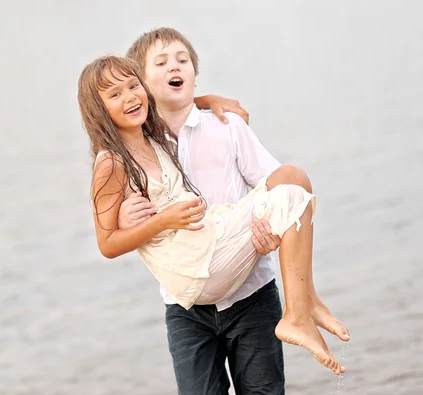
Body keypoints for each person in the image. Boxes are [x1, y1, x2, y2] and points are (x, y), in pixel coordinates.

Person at [77, 51, 348, 378]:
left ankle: (303, 302)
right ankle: (300, 311)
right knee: (292, 183)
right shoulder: (111, 162)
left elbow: (174, 103)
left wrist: (209, 99)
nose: (130, 97)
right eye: (114, 94)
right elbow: (106, 244)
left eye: (133, 86)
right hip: (195, 269)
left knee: (293, 181)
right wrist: (163, 220)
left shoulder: (154, 135)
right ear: (99, 109)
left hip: (209, 242)